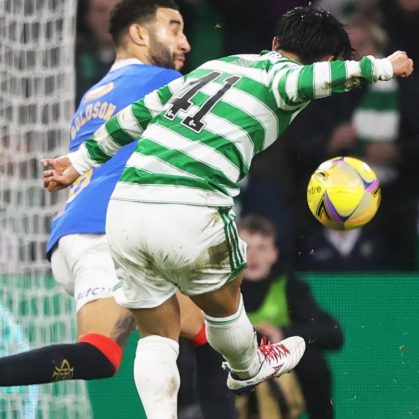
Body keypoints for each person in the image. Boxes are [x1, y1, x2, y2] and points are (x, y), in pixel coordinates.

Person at [42, 5, 413, 419]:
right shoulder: (285, 78)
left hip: (125, 209)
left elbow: (136, 114)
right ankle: (249, 366)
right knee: (229, 291)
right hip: (189, 206)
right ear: (326, 60)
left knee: (158, 331)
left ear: (275, 42)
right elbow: (312, 78)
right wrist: (384, 66)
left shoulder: (216, 67)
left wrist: (79, 162)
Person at [0, 2, 237, 418]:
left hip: (76, 236)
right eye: (174, 28)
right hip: (108, 236)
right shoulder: (163, 82)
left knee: (210, 332)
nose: (185, 43)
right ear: (139, 34)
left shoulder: (95, 93)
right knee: (102, 354)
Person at [238, 215, 344, 419]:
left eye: (261, 248)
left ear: (274, 254)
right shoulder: (219, 290)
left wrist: (282, 335)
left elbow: (333, 333)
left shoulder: (289, 288)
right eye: (245, 247)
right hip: (229, 370)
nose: (253, 255)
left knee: (313, 363)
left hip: (280, 371)